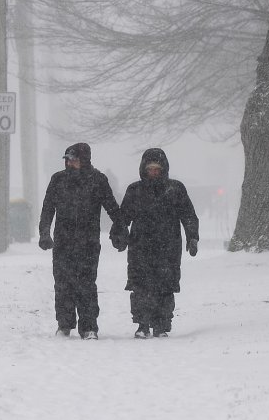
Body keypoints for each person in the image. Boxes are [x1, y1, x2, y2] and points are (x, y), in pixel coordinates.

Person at [38, 142, 126, 339]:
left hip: (88, 243)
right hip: (63, 242)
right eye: (68, 160)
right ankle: (64, 324)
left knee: (86, 284)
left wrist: (120, 229)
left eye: (74, 160)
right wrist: (44, 232)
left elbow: (112, 207)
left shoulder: (98, 180)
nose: (70, 164)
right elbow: (47, 209)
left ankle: (88, 326)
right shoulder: (58, 180)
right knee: (63, 284)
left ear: (84, 160)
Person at [119, 148, 199, 338]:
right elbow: (123, 217)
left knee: (165, 285)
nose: (154, 172)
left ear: (163, 169)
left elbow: (188, 215)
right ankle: (142, 324)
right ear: (144, 169)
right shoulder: (135, 190)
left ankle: (161, 324)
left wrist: (192, 237)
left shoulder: (175, 189)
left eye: (157, 169)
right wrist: (119, 235)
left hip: (168, 247)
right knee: (140, 287)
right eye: (150, 169)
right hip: (140, 246)